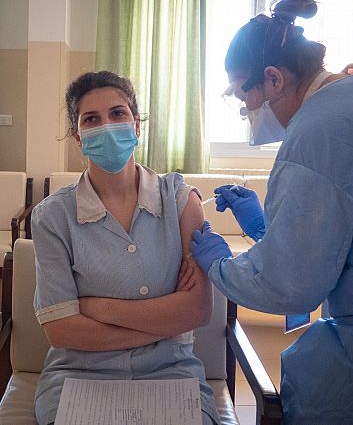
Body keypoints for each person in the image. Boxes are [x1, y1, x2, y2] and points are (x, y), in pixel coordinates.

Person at [190, 0, 353, 425]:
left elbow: (291, 285)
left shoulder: (316, 136)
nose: (245, 110)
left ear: (273, 78)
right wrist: (267, 230)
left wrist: (220, 264)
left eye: (242, 97)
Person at [31, 71, 220, 425]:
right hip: (78, 376)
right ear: (79, 137)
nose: (106, 126)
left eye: (117, 114)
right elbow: (62, 331)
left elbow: (197, 310)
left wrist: (95, 308)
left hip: (171, 373)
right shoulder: (52, 217)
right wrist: (163, 322)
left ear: (136, 126)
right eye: (91, 119)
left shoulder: (180, 200)